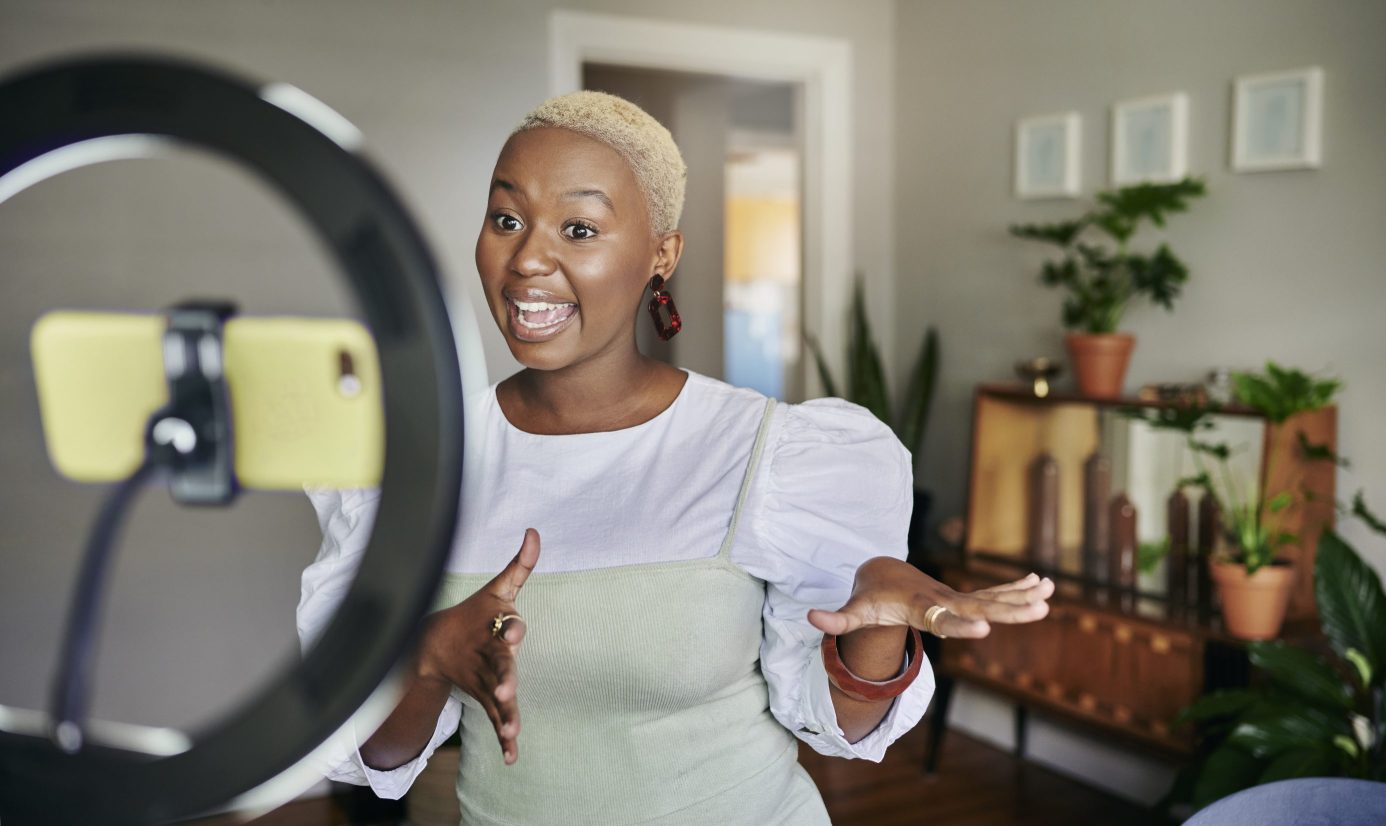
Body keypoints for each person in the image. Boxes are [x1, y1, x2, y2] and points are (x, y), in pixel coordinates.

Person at [297, 90, 1054, 825]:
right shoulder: (426, 463)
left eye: (580, 229)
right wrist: (430, 654)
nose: (529, 258)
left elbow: (843, 730)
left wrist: (879, 627)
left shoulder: (766, 452)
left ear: (661, 254)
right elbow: (379, 757)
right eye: (506, 218)